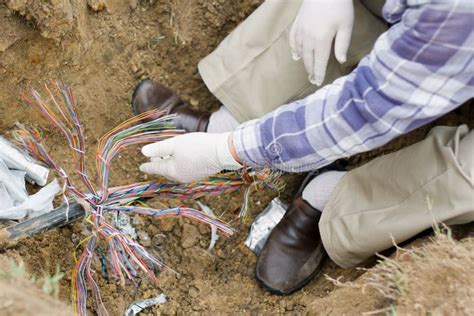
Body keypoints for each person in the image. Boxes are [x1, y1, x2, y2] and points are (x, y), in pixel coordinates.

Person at [133, 0, 474, 295]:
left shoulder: (456, 17)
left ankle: (333, 201)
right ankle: (234, 117)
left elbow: (362, 109)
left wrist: (226, 152)